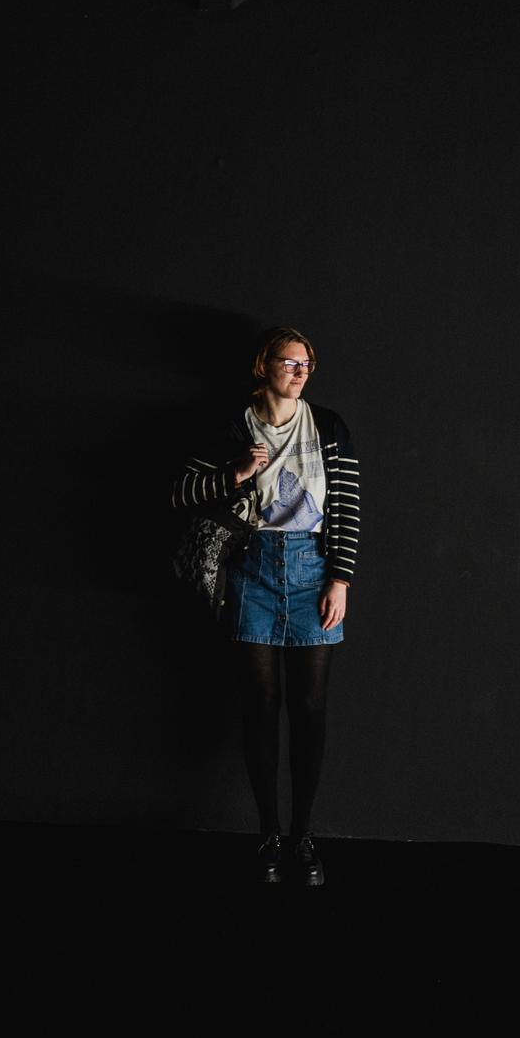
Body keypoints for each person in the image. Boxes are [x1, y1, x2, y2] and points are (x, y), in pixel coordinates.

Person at [174, 326, 359, 886]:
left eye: (307, 364)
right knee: (260, 707)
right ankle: (270, 835)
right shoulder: (233, 427)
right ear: (264, 365)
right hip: (252, 570)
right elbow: (180, 492)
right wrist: (234, 473)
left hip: (312, 571)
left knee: (310, 708)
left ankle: (303, 835)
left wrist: (341, 578)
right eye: (289, 362)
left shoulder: (328, 426)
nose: (300, 373)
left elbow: (347, 505)